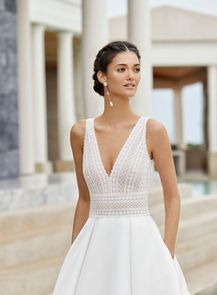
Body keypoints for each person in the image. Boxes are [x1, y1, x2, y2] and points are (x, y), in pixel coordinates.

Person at [52, 41, 191, 294]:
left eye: (136, 69)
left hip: (142, 245)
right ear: (102, 76)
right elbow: (84, 199)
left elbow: (172, 197)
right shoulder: (81, 133)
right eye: (122, 69)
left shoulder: (153, 131)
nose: (132, 77)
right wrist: (75, 254)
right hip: (93, 245)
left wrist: (167, 253)